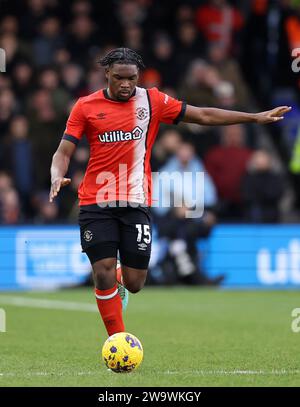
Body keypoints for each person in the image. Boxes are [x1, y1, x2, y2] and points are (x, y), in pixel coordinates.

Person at [49, 47, 291, 337]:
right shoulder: (85, 106)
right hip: (95, 201)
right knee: (101, 269)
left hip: (135, 202)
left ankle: (118, 280)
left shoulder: (152, 100)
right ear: (106, 75)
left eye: (132, 78)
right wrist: (56, 174)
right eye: (119, 78)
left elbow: (202, 115)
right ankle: (118, 339)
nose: (126, 84)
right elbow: (64, 151)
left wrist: (253, 118)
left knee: (135, 282)